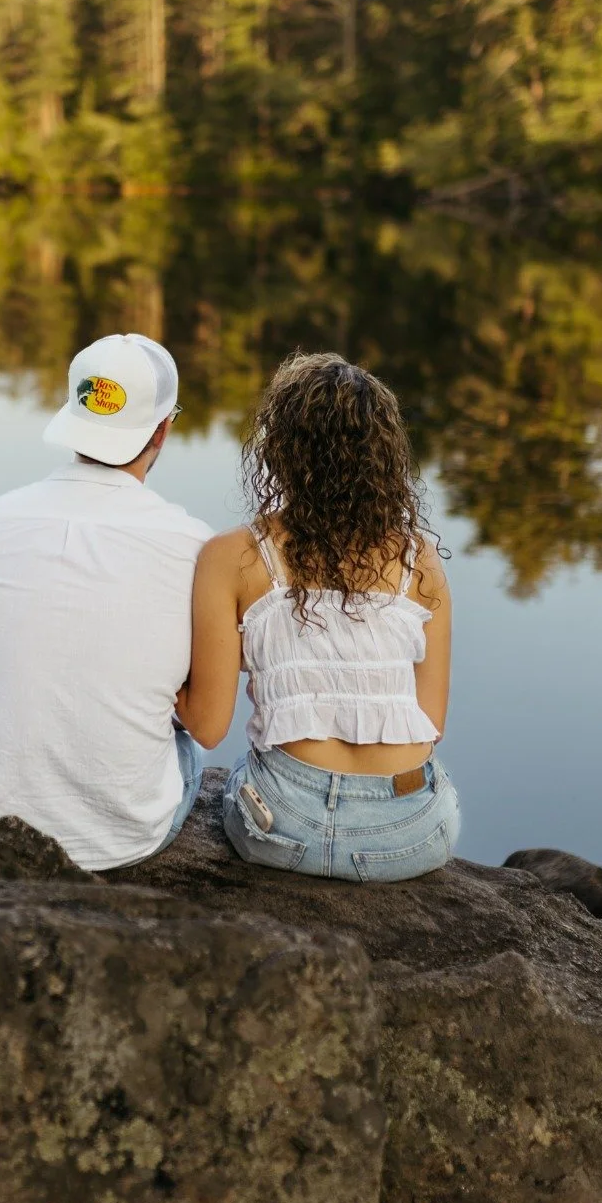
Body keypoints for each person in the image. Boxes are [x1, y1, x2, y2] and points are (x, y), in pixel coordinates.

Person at [0, 333, 210, 870]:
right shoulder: (196, 545)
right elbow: (194, 715)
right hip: (128, 838)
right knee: (191, 754)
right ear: (164, 429)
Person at [175, 350, 458, 881]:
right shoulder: (417, 563)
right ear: (385, 460)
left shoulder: (233, 557)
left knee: (232, 776)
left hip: (286, 824)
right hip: (412, 832)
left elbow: (207, 727)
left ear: (278, 451)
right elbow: (432, 723)